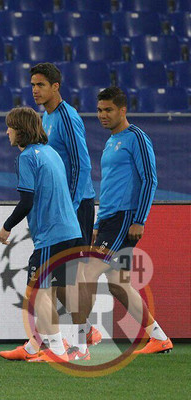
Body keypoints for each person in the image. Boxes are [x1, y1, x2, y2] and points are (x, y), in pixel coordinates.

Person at [80, 87, 172, 354]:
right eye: (99, 110)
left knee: (87, 274)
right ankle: (158, 337)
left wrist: (139, 219)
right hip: (109, 219)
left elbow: (149, 179)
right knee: (118, 285)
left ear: (123, 110)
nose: (102, 115)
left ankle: (83, 335)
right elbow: (109, 185)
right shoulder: (111, 141)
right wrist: (98, 223)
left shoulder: (137, 138)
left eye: (108, 110)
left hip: (125, 218)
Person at [0, 107, 83, 363]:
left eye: (10, 127)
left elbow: (27, 201)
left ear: (21, 130)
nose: (7, 131)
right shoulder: (50, 152)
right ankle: (36, 345)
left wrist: (7, 226)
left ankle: (56, 349)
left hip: (52, 236)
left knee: (37, 293)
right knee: (50, 292)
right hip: (72, 232)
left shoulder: (26, 158)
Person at [30, 62, 101, 352]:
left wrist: (70, 206)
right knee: (56, 277)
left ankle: (82, 343)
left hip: (76, 205)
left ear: (56, 87)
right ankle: (71, 335)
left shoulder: (67, 117)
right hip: (60, 206)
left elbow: (82, 164)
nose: (35, 90)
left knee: (72, 276)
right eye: (33, 85)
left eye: (41, 85)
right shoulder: (45, 118)